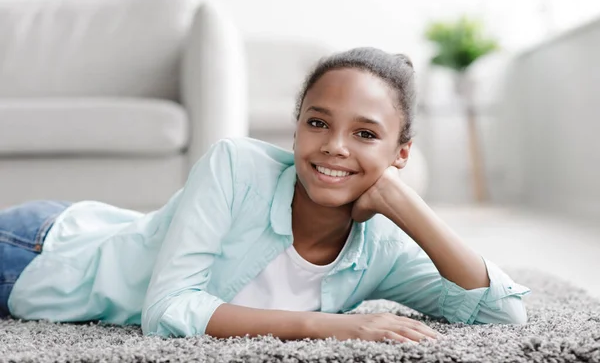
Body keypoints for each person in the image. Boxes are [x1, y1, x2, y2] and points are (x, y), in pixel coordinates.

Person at [0, 47, 530, 343]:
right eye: (317, 122)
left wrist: (407, 204)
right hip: (40, 253)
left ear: (401, 153)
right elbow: (167, 311)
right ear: (297, 127)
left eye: (366, 134)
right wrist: (334, 327)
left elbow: (502, 313)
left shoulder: (383, 247)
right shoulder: (236, 165)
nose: (335, 148)